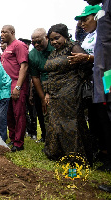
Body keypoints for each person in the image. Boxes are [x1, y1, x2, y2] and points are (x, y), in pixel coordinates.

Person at [42, 23, 92, 162]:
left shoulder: (72, 47)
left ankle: (76, 157)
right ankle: (58, 153)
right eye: (52, 40)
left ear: (65, 36)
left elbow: (87, 63)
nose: (54, 42)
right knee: (55, 124)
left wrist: (77, 80)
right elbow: (50, 74)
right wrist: (47, 93)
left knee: (71, 124)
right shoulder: (54, 53)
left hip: (70, 93)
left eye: (57, 38)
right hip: (55, 93)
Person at [70, 5, 111, 167]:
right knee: (96, 117)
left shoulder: (105, 33)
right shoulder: (88, 37)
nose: (82, 24)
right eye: (81, 21)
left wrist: (86, 58)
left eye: (85, 19)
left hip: (108, 77)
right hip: (93, 83)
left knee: (107, 113)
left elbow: (105, 56)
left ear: (96, 17)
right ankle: (102, 151)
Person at [84, 0, 111, 172]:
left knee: (108, 109)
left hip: (108, 76)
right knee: (103, 116)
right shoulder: (105, 7)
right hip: (101, 78)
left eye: (85, 19)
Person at [1, 25, 29, 152]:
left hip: (16, 86)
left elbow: (24, 67)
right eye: (1, 32)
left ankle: (19, 143)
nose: (2, 34)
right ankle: (12, 139)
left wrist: (18, 86)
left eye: (4, 32)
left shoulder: (19, 45)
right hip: (6, 87)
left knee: (19, 115)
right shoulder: (7, 47)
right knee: (10, 115)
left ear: (12, 32)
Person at [29, 28, 55, 143]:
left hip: (57, 82)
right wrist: (42, 97)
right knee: (41, 110)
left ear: (46, 38)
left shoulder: (55, 47)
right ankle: (45, 136)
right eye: (33, 42)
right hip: (41, 84)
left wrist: (49, 92)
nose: (36, 44)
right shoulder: (32, 54)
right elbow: (35, 77)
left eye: (39, 41)